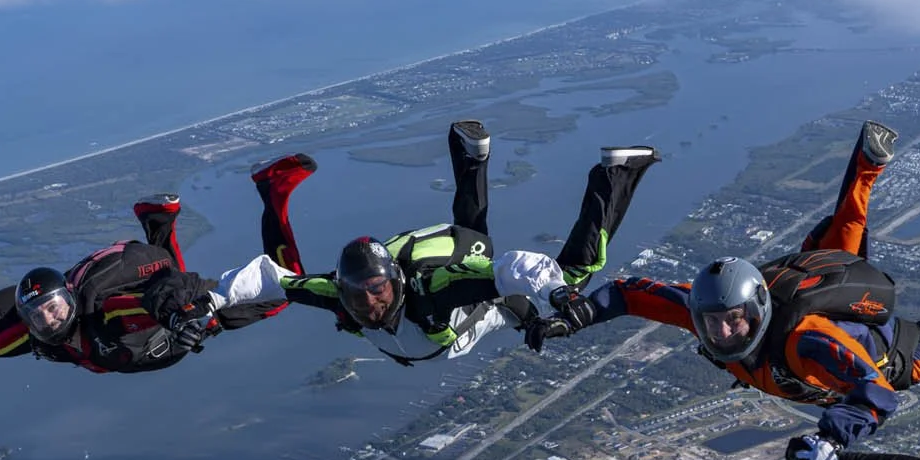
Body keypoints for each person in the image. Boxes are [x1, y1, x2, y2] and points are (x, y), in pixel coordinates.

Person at [563, 121, 920, 460]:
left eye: (732, 321)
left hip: (896, 352)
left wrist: (831, 438)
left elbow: (877, 393)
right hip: (828, 303)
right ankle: (867, 165)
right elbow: (634, 293)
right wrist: (581, 312)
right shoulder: (703, 308)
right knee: (842, 252)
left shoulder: (809, 343)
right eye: (711, 323)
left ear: (756, 306)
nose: (722, 332)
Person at [244, 120, 659, 366]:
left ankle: (617, 173)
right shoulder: (339, 294)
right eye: (361, 297)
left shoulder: (430, 303)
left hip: (477, 305)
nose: (370, 304)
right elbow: (273, 280)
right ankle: (472, 157)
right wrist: (212, 301)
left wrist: (552, 301)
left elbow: (507, 283)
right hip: (448, 285)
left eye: (376, 292)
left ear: (394, 283)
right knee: (475, 241)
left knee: (571, 276)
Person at [0, 196, 274, 404]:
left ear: (68, 297)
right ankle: (158, 221)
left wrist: (183, 316)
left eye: (53, 308)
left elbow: (173, 285)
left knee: (277, 294)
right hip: (148, 338)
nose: (49, 319)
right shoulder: (29, 330)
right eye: (38, 316)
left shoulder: (109, 313)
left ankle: (277, 189)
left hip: (185, 320)